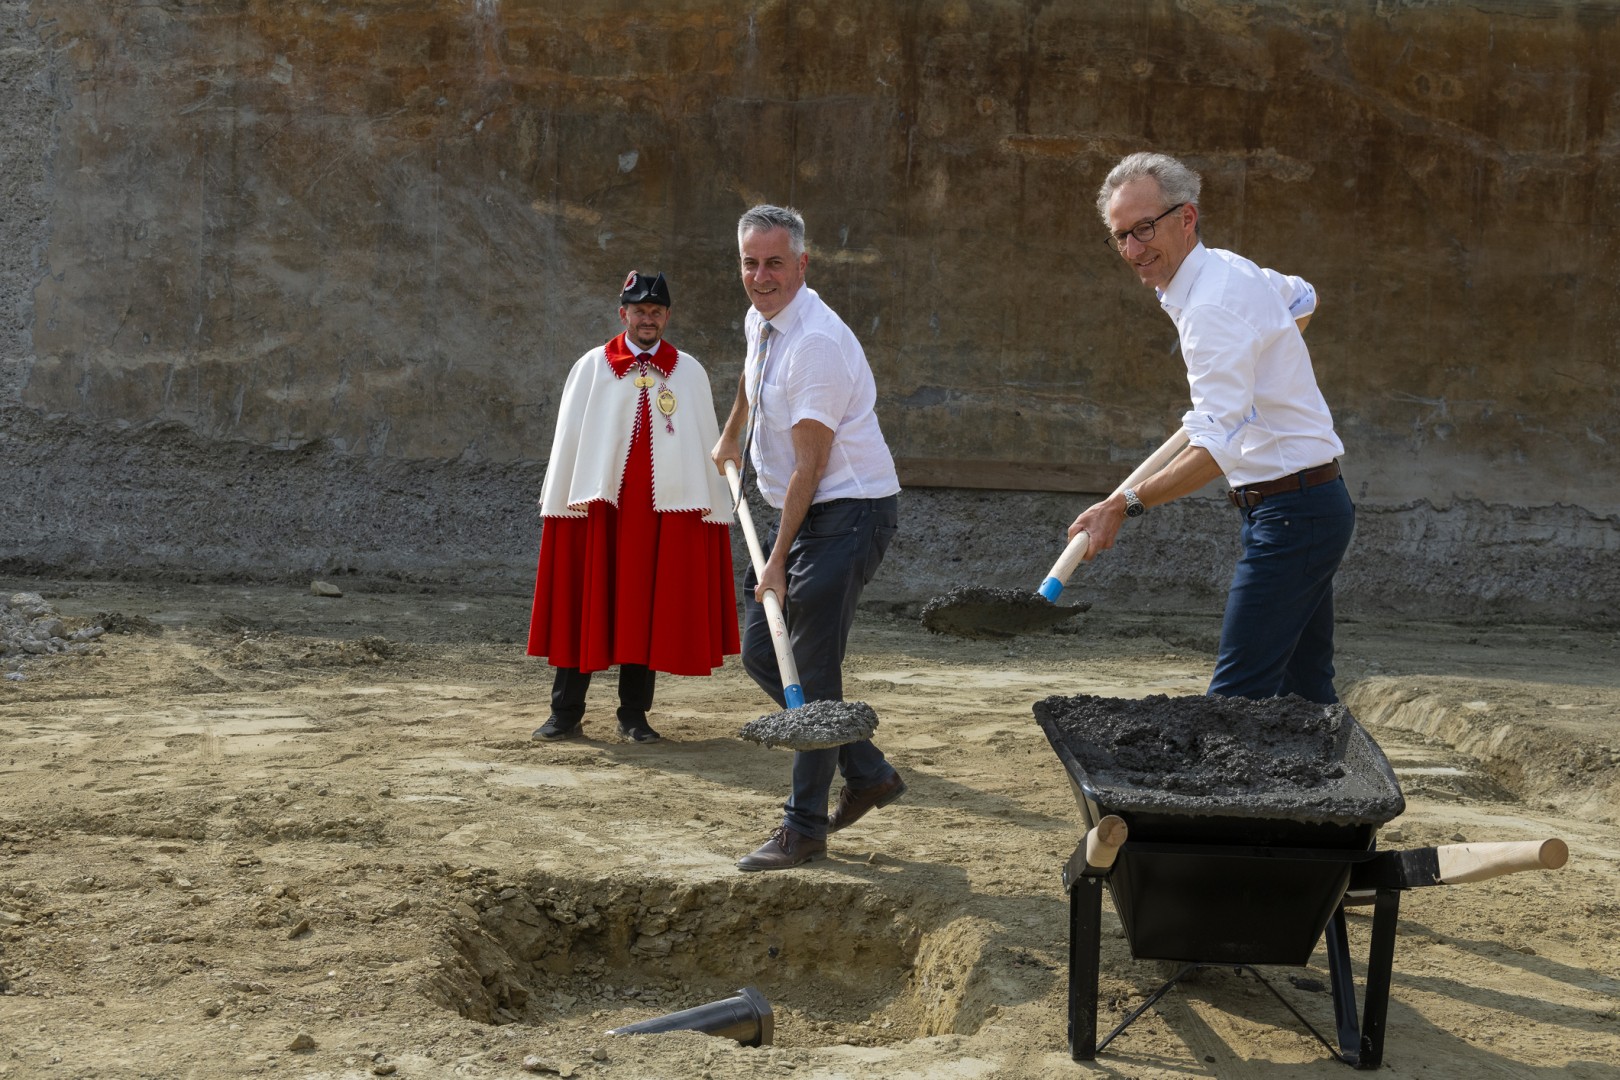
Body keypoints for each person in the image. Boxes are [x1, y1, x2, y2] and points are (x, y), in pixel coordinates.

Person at [1071, 152, 1354, 705]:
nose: (1133, 250)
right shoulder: (1223, 271)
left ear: (1187, 218)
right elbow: (1302, 296)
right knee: (1305, 699)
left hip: (1294, 514)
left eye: (1145, 229)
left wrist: (1121, 506)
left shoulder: (1212, 308)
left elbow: (1215, 452)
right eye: (1121, 236)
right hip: (1303, 505)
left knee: (1234, 701)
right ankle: (1334, 790)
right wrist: (1270, 358)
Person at [711, 205, 903, 871]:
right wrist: (731, 429)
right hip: (809, 514)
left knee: (811, 671)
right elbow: (750, 371)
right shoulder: (763, 320)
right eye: (750, 263)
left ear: (802, 264)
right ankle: (869, 771)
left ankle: (804, 828)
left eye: (774, 263)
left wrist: (779, 563)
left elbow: (812, 469)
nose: (761, 277)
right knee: (763, 655)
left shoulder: (816, 345)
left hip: (846, 514)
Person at [526, 271, 740, 742]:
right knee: (587, 603)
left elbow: (702, 442)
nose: (648, 319)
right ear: (623, 313)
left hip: (662, 516)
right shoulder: (593, 367)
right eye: (640, 310)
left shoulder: (689, 372)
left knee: (646, 609)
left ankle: (633, 716)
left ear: (667, 316)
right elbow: (570, 444)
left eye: (656, 311)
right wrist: (566, 498)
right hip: (601, 511)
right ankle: (565, 712)